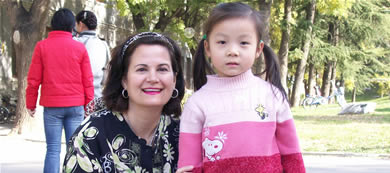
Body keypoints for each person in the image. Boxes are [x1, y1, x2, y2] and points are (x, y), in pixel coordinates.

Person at [177, 2, 305, 173]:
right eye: (222, 42)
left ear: (258, 49)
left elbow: (292, 156)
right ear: (207, 48)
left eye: (243, 42)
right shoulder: (197, 104)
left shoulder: (272, 95)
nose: (233, 51)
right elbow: (189, 165)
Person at [62, 32, 185, 173]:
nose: (153, 78)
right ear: (124, 80)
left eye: (162, 69)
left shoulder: (184, 134)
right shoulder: (91, 135)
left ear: (174, 79)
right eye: (142, 69)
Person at [25, 8, 94, 173]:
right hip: (76, 106)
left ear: (53, 25)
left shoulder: (42, 47)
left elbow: (33, 79)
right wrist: (89, 105)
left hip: (52, 107)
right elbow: (88, 80)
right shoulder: (79, 49)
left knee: (53, 149)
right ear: (72, 26)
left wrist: (30, 103)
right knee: (75, 150)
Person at [74, 10, 111, 98]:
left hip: (78, 96)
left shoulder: (75, 42)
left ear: (81, 24)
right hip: (97, 96)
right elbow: (107, 72)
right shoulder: (104, 44)